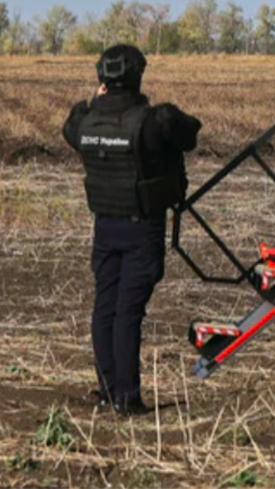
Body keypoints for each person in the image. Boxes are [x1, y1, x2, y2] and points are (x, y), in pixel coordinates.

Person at [63, 44, 201, 415]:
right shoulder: (153, 121)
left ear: (102, 80)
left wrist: (96, 101)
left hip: (105, 226)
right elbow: (190, 134)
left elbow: (71, 123)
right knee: (128, 312)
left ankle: (109, 390)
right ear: (137, 76)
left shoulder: (85, 123)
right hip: (143, 228)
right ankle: (127, 397)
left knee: (104, 307)